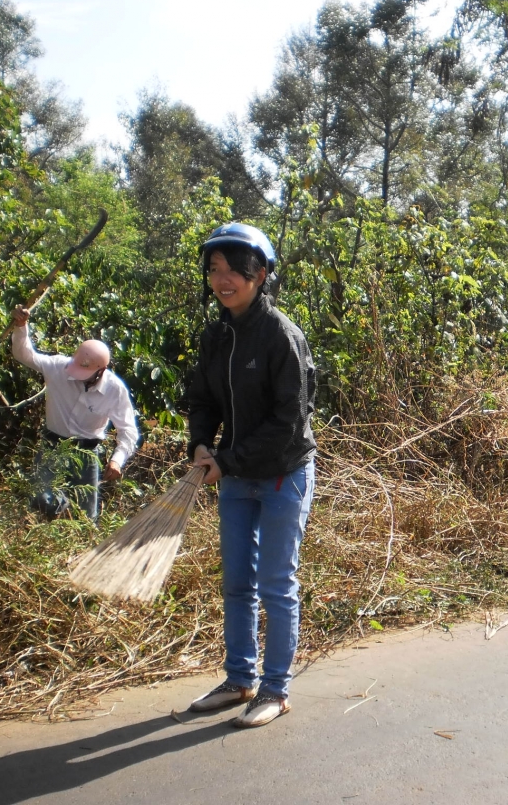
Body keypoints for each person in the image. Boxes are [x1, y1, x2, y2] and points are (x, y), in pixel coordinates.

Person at [184, 222, 317, 729]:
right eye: (214, 270)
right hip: (235, 477)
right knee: (237, 583)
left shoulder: (282, 335)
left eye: (234, 271)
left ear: (259, 275)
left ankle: (275, 689)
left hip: (283, 474)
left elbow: (289, 421)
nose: (223, 280)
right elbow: (203, 399)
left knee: (276, 584)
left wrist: (228, 460)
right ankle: (239, 679)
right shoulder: (216, 335)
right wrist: (201, 442)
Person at [11, 306, 139, 521]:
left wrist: (117, 460)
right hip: (53, 447)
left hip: (86, 453)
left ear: (101, 370)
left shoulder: (114, 390)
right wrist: (21, 326)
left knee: (86, 517)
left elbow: (128, 431)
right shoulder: (58, 367)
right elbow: (25, 355)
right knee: (41, 501)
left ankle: (82, 548)